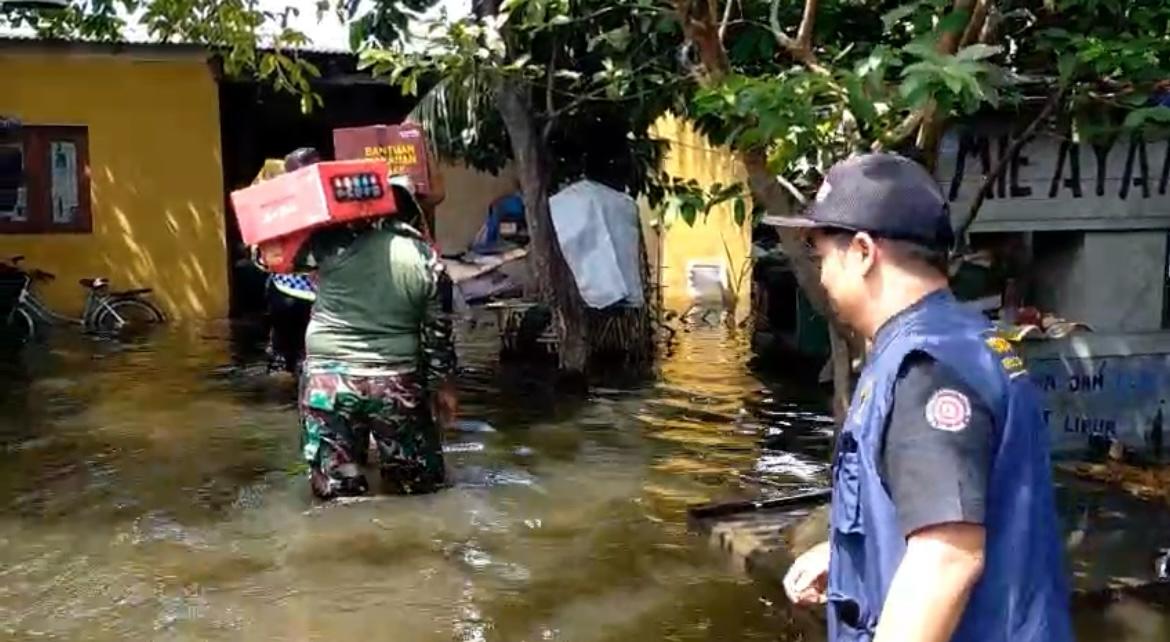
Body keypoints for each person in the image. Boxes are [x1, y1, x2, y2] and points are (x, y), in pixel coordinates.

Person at [773, 153, 1072, 642]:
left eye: (823, 257)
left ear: (863, 252)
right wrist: (851, 559)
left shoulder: (926, 370)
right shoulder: (963, 340)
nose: (822, 276)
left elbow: (945, 559)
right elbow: (957, 508)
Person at [294, 178, 457, 499]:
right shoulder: (427, 260)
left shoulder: (328, 246)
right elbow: (437, 339)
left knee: (337, 494)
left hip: (328, 383)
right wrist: (443, 388)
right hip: (395, 384)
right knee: (416, 490)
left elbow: (271, 256)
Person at [261, 147, 321, 374]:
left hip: (283, 287)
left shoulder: (273, 204)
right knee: (307, 356)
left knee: (282, 355)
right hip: (309, 290)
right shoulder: (322, 200)